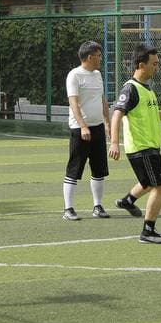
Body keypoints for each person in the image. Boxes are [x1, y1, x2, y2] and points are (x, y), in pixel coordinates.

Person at [108, 46, 161, 244]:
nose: (157, 68)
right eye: (154, 64)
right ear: (141, 65)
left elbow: (154, 114)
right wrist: (114, 142)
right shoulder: (130, 88)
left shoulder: (147, 89)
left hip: (150, 147)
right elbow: (117, 113)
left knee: (148, 183)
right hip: (142, 148)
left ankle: (127, 201)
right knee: (160, 187)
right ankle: (147, 232)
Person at [62, 41, 111, 220]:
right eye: (98, 55)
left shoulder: (97, 75)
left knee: (99, 170)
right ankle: (68, 209)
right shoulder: (74, 75)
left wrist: (107, 123)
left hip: (97, 128)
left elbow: (102, 100)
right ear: (89, 57)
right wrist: (83, 126)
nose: (100, 59)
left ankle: (97, 206)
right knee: (74, 169)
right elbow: (73, 102)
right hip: (79, 130)